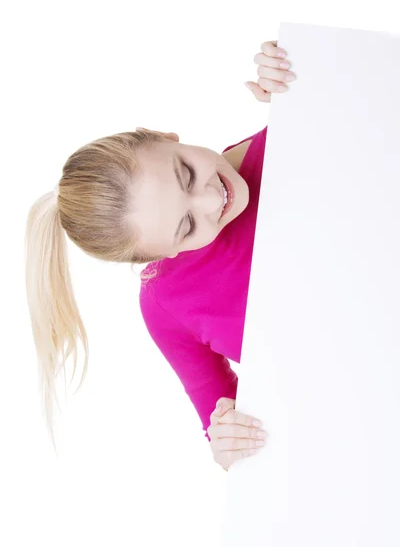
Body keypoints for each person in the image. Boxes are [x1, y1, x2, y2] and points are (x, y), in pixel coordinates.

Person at [23, 40, 296, 468]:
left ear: (167, 137)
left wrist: (299, 79)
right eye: (186, 227)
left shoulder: (289, 135)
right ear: (156, 256)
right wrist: (226, 441)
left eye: (186, 173)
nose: (210, 201)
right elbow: (228, 434)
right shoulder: (167, 304)